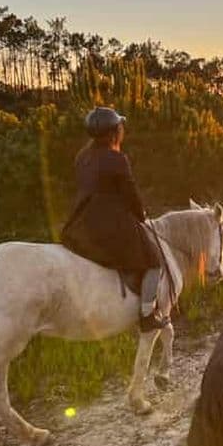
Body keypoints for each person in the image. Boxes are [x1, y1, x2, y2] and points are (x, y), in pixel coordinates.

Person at [61, 107, 164, 332]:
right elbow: (130, 193)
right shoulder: (117, 158)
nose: (122, 130)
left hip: (82, 222)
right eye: (120, 127)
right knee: (155, 263)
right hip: (111, 224)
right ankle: (147, 315)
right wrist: (141, 214)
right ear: (114, 132)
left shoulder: (82, 158)